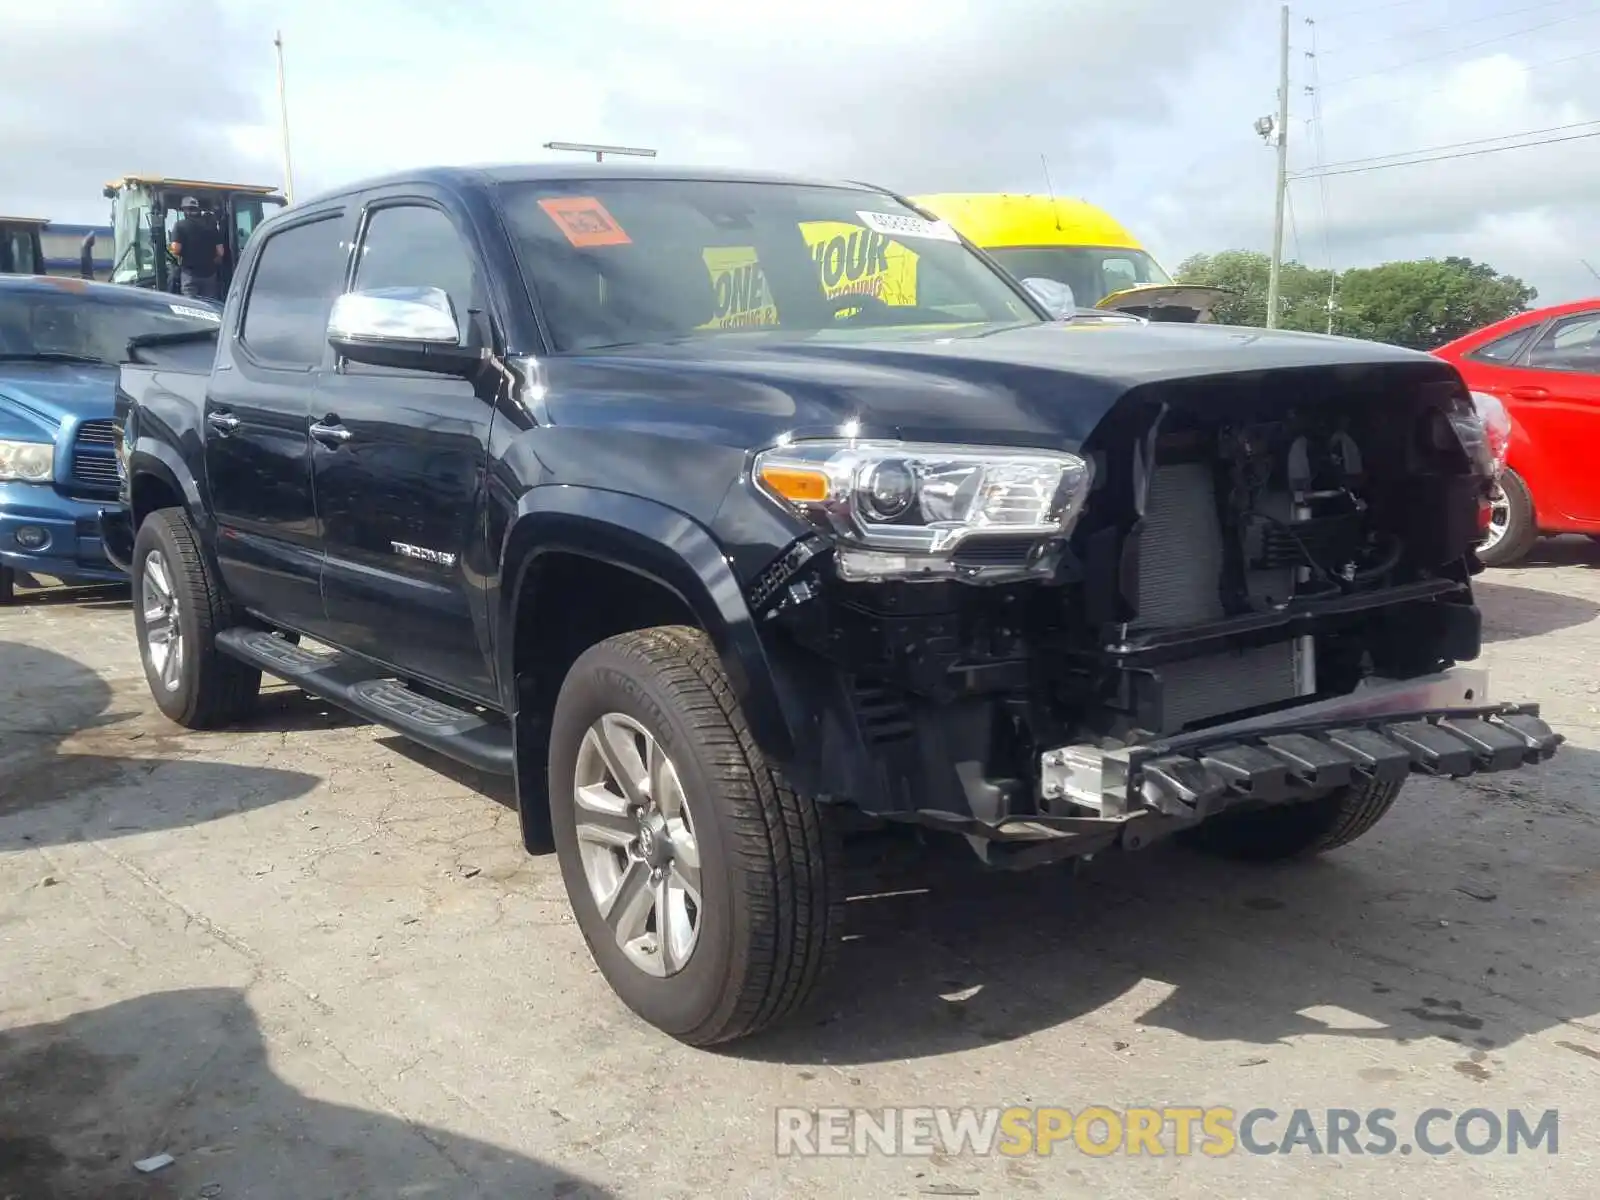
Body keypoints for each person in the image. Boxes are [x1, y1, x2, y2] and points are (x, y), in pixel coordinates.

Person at [168, 196, 224, 300]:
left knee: (192, 307)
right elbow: (220, 252)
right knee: (209, 305)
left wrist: (170, 249)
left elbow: (175, 250)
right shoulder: (212, 227)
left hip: (190, 275)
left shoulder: (180, 226)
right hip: (210, 275)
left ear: (184, 210)